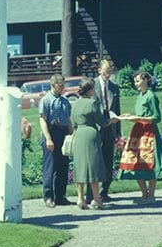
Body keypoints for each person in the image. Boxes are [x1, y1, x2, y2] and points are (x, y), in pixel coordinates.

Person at [117, 71, 162, 204]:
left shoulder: (151, 96)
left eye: (138, 81)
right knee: (135, 162)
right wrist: (129, 116)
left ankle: (151, 195)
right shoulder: (139, 96)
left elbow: (157, 117)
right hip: (137, 131)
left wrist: (138, 118)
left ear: (146, 80)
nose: (136, 83)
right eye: (135, 81)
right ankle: (144, 194)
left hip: (149, 132)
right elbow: (139, 113)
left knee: (150, 163)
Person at [71, 77, 119, 210]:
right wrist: (112, 120)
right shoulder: (93, 104)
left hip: (79, 134)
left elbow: (73, 123)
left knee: (80, 166)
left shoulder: (74, 104)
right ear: (90, 90)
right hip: (91, 134)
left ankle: (80, 198)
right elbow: (102, 122)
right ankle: (97, 200)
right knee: (93, 167)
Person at [86, 59, 121, 203]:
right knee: (94, 160)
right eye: (105, 73)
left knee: (108, 159)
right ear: (99, 70)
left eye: (110, 73)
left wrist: (118, 131)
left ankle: (104, 191)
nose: (108, 76)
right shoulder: (92, 85)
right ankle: (90, 194)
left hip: (110, 126)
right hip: (96, 127)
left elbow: (117, 109)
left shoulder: (114, 87)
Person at [39, 74, 73, 208]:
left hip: (63, 132)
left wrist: (71, 134)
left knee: (62, 166)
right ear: (53, 85)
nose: (63, 88)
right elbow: (42, 120)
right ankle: (48, 196)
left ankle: (61, 196)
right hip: (51, 132)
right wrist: (48, 138)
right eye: (60, 86)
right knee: (50, 167)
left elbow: (68, 119)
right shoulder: (46, 100)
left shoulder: (65, 101)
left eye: (63, 85)